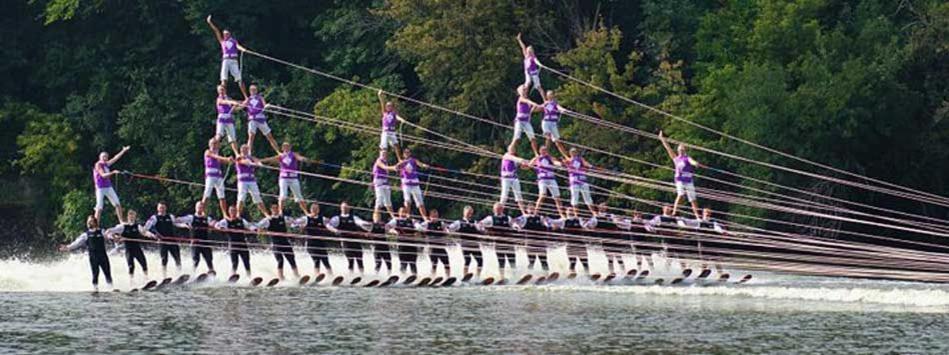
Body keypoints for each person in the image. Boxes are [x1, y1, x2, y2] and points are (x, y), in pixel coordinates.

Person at [260, 142, 317, 214]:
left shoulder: (293, 154)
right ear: (282, 148)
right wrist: (260, 161)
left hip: (293, 178)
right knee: (283, 195)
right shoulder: (280, 156)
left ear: (290, 147)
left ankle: (306, 212)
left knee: (299, 195)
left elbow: (299, 158)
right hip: (284, 178)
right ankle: (281, 212)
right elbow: (270, 159)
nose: (286, 148)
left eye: (287, 146)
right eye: (284, 146)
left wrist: (304, 159)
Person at [60, 216, 113, 291]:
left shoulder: (102, 231)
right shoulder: (86, 234)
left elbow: (108, 236)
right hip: (93, 257)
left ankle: (110, 288)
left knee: (107, 273)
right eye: (88, 221)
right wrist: (68, 247)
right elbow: (77, 243)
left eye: (90, 221)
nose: (88, 223)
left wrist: (113, 237)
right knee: (95, 274)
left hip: (103, 256)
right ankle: (95, 290)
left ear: (95, 222)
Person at [104, 210, 155, 288]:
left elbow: (144, 232)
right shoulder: (123, 227)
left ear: (135, 217)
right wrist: (113, 237)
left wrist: (151, 235)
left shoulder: (138, 226)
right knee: (131, 267)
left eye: (133, 216)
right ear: (128, 217)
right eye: (130, 216)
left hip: (137, 249)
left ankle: (146, 279)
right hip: (129, 250)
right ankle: (131, 283)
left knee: (144, 264)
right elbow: (110, 231)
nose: (132, 218)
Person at [659, 131, 702, 220]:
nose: (681, 151)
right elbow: (668, 148)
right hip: (679, 179)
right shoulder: (676, 159)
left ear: (685, 150)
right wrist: (662, 139)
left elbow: (692, 162)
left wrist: (696, 164)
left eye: (682, 150)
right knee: (681, 194)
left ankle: (698, 216)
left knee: (693, 199)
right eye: (679, 150)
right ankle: (674, 212)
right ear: (678, 151)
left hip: (688, 180)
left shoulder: (687, 158)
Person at [325, 201, 373, 275]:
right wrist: (335, 230)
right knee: (350, 261)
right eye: (343, 207)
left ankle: (362, 275)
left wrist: (367, 223)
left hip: (356, 242)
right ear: (341, 208)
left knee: (360, 260)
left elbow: (360, 222)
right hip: (346, 242)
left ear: (349, 208)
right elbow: (328, 225)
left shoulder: (354, 217)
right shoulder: (337, 218)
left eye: (346, 207)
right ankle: (351, 275)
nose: (344, 209)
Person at [206, 15, 248, 98]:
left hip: (233, 61)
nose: (225, 35)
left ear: (230, 34)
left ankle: (246, 96)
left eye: (227, 34)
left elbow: (238, 46)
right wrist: (210, 22)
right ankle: (223, 95)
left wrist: (243, 49)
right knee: (224, 79)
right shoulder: (222, 41)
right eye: (224, 34)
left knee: (239, 79)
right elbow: (216, 30)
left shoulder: (233, 41)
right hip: (226, 60)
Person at [144, 202, 187, 278]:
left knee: (177, 257)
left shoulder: (170, 216)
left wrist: (184, 225)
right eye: (160, 208)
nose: (162, 209)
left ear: (166, 208)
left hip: (172, 240)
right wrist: (152, 235)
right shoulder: (154, 218)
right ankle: (164, 276)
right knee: (164, 259)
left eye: (163, 207)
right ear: (158, 208)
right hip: (162, 241)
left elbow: (176, 223)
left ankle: (179, 273)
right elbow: (146, 228)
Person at [257, 204, 299, 280]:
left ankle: (296, 275)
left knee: (291, 259)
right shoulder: (267, 220)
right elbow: (257, 226)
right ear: (271, 210)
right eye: (273, 208)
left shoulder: (284, 218)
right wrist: (261, 231)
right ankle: (281, 277)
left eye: (276, 208)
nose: (275, 209)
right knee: (280, 261)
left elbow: (294, 222)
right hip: (276, 244)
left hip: (285, 243)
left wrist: (295, 225)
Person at [174, 201, 217, 275]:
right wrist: (184, 225)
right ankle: (192, 274)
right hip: (195, 242)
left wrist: (214, 224)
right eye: (198, 207)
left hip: (205, 242)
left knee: (209, 259)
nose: (200, 208)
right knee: (196, 260)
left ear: (203, 208)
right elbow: (176, 220)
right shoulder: (190, 218)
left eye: (201, 207)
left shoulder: (207, 218)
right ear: (195, 208)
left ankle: (212, 272)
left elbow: (215, 224)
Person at [215, 206, 257, 278]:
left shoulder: (241, 220)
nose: (233, 212)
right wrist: (220, 228)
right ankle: (232, 275)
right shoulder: (226, 221)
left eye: (234, 211)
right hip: (233, 244)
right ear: (229, 212)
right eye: (231, 211)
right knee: (235, 263)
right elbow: (216, 225)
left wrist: (254, 229)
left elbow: (249, 226)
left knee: (246, 262)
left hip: (242, 243)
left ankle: (249, 276)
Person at [92, 146, 130, 223]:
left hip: (108, 187)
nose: (105, 158)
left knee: (117, 203)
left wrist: (123, 151)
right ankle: (95, 225)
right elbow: (103, 175)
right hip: (100, 188)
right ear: (100, 157)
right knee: (99, 207)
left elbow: (115, 158)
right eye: (103, 156)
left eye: (106, 157)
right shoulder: (98, 164)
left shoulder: (106, 164)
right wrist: (113, 172)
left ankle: (121, 221)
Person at [391, 148, 432, 220]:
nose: (407, 153)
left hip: (415, 183)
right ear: (403, 154)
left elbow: (420, 164)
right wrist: (399, 165)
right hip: (406, 183)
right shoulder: (402, 162)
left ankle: (425, 218)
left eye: (408, 152)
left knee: (420, 201)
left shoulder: (413, 160)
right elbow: (396, 167)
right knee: (407, 200)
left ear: (410, 153)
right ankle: (408, 215)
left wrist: (425, 165)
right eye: (405, 152)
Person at [295, 203, 332, 277]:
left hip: (321, 243)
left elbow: (330, 224)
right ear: (310, 210)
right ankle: (317, 275)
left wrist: (333, 229)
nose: (315, 210)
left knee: (326, 261)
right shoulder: (306, 218)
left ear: (318, 210)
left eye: (316, 209)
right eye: (313, 209)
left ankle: (331, 276)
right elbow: (294, 223)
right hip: (311, 244)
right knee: (316, 260)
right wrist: (300, 226)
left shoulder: (323, 219)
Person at [447, 205, 485, 277]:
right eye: (468, 213)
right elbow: (449, 228)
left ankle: (478, 276)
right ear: (464, 213)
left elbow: (481, 230)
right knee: (468, 260)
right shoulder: (458, 222)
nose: (469, 214)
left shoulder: (474, 222)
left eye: (471, 213)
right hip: (465, 245)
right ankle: (465, 276)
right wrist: (451, 234)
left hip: (474, 244)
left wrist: (483, 229)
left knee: (480, 261)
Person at [512, 204, 552, 271]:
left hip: (540, 242)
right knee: (532, 261)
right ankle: (529, 273)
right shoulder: (524, 218)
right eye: (530, 209)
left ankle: (546, 274)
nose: (532, 210)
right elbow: (513, 221)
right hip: (530, 242)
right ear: (527, 210)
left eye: (533, 209)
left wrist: (548, 225)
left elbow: (548, 223)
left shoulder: (540, 218)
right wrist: (516, 226)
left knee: (543, 260)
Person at [479, 202, 517, 272]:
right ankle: (502, 277)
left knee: (512, 260)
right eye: (496, 209)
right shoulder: (490, 218)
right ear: (493, 210)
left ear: (502, 209)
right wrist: (484, 231)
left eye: (499, 209)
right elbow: (480, 223)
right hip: (498, 243)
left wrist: (516, 227)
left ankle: (514, 275)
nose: (498, 210)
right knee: (501, 261)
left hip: (509, 242)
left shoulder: (508, 218)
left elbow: (513, 224)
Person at [559, 147, 597, 217]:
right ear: (570, 153)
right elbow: (562, 156)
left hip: (582, 180)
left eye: (575, 152)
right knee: (575, 197)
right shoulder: (568, 160)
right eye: (572, 152)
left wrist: (591, 166)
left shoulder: (580, 159)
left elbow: (585, 163)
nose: (574, 153)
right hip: (574, 181)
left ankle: (594, 213)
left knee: (587, 197)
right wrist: (563, 162)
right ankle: (576, 215)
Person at [235, 144, 270, 218]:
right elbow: (244, 162)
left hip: (251, 180)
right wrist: (253, 163)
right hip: (242, 181)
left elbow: (257, 161)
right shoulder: (239, 157)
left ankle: (266, 214)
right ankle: (238, 214)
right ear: (241, 150)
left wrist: (260, 164)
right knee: (241, 197)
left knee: (257, 197)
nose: (245, 151)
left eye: (246, 149)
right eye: (243, 149)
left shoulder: (250, 157)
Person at [243, 84, 280, 154]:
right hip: (252, 119)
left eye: (254, 90)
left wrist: (267, 106)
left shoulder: (260, 98)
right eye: (251, 90)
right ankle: (248, 153)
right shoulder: (248, 99)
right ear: (249, 91)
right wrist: (237, 105)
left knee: (269, 136)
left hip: (260, 118)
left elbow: (264, 105)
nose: (253, 91)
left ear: (256, 91)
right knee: (251, 136)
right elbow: (242, 106)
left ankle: (278, 152)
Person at [530, 146, 565, 218]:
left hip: (551, 178)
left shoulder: (550, 158)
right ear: (540, 151)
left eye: (545, 150)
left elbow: (555, 162)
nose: (544, 151)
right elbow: (530, 164)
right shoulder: (537, 158)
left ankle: (562, 214)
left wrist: (560, 163)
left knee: (557, 197)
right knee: (543, 195)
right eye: (542, 150)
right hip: (542, 179)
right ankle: (535, 213)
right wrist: (534, 162)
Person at [386, 207, 422, 275]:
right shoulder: (396, 220)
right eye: (402, 211)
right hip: (402, 245)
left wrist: (418, 232)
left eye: (405, 211)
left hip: (412, 245)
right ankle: (402, 277)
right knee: (403, 263)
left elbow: (420, 228)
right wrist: (394, 231)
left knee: (413, 263)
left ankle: (414, 277)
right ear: (399, 213)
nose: (403, 213)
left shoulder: (412, 220)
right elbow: (387, 227)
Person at [203, 137, 232, 218]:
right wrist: (226, 158)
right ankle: (203, 212)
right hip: (210, 176)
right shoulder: (208, 152)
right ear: (209, 145)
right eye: (212, 144)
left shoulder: (217, 154)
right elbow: (216, 157)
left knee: (222, 195)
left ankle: (224, 214)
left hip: (218, 176)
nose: (214, 145)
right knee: (207, 194)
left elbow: (222, 160)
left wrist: (230, 160)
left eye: (215, 144)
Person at [417, 209, 450, 277]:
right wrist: (424, 230)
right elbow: (418, 227)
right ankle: (432, 277)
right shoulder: (427, 223)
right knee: (434, 264)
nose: (435, 217)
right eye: (434, 216)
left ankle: (448, 277)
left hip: (441, 247)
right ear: (430, 216)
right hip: (432, 247)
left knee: (447, 263)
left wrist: (446, 231)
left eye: (436, 216)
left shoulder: (441, 223)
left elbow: (447, 230)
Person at [511, 84, 541, 156]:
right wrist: (534, 104)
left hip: (526, 121)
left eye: (525, 90)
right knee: (517, 137)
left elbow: (532, 110)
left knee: (533, 138)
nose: (524, 92)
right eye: (523, 90)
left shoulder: (527, 100)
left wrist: (541, 107)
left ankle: (536, 153)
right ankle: (511, 150)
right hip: (519, 121)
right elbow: (529, 102)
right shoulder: (521, 99)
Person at [499, 142, 528, 216]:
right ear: (508, 150)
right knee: (504, 195)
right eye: (511, 149)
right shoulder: (506, 155)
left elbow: (522, 166)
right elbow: (517, 159)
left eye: (513, 149)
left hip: (514, 178)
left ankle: (523, 213)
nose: (512, 150)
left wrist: (528, 163)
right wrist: (523, 160)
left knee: (519, 195)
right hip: (506, 178)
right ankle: (500, 212)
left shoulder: (515, 159)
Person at [214, 84, 242, 156]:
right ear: (218, 91)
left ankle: (237, 154)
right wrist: (234, 102)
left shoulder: (228, 98)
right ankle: (214, 151)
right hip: (222, 118)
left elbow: (233, 110)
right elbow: (226, 102)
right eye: (220, 90)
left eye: (222, 89)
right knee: (219, 135)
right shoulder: (219, 99)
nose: (221, 91)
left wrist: (242, 104)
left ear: (225, 90)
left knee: (233, 137)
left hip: (229, 118)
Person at [377, 90, 404, 161]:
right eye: (387, 106)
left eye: (390, 106)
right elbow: (382, 103)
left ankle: (399, 159)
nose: (389, 107)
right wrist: (380, 96)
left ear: (392, 107)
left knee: (396, 145)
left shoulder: (393, 113)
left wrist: (401, 120)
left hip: (392, 132)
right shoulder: (384, 113)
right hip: (385, 132)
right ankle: (383, 159)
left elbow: (397, 117)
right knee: (384, 147)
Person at [516, 33, 544, 98]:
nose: (528, 51)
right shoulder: (526, 56)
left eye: (530, 50)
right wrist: (519, 39)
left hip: (534, 73)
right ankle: (524, 96)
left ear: (531, 51)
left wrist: (540, 65)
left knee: (538, 87)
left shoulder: (533, 57)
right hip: (528, 72)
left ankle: (545, 100)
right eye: (528, 50)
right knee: (527, 83)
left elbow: (537, 61)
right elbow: (523, 46)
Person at [372, 149, 397, 221]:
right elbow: (384, 167)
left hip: (385, 183)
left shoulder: (385, 162)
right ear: (380, 154)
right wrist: (393, 168)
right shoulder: (378, 161)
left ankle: (393, 218)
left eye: (385, 154)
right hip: (379, 183)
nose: (384, 155)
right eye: (382, 153)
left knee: (388, 201)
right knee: (379, 201)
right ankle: (376, 221)